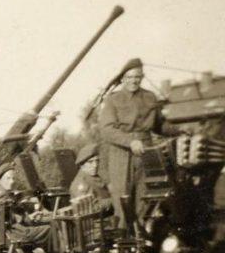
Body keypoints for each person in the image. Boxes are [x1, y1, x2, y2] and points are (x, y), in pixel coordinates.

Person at [98, 58, 179, 230]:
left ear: (142, 77)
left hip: (146, 151)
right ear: (123, 79)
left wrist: (181, 130)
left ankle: (141, 240)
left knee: (144, 197)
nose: (133, 80)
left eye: (137, 77)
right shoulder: (113, 100)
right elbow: (107, 129)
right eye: (129, 77)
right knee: (122, 198)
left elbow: (159, 125)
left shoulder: (150, 97)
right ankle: (123, 243)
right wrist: (129, 141)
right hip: (121, 154)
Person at [0, 164, 50, 247]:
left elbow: (11, 214)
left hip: (13, 230)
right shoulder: (0, 195)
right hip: (13, 232)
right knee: (49, 229)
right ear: (0, 180)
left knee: (47, 225)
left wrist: (29, 217)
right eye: (8, 178)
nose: (12, 181)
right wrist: (25, 218)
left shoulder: (2, 192)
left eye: (13, 178)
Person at [68, 143, 114, 215]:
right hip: (97, 223)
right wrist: (114, 200)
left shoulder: (93, 176)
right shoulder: (81, 183)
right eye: (90, 162)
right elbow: (89, 209)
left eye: (97, 161)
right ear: (81, 164)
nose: (95, 165)